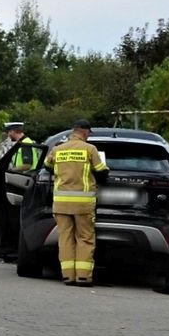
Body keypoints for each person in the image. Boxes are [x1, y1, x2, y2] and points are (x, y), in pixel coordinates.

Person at [43, 119, 109, 287]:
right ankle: (83, 277)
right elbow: (102, 172)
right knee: (85, 238)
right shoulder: (89, 149)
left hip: (61, 203)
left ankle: (68, 276)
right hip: (83, 203)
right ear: (86, 132)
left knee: (65, 238)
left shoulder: (58, 149)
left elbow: (47, 166)